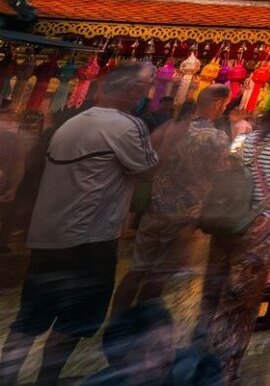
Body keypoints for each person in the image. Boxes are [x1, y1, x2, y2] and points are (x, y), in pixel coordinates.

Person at [0, 61, 159, 386]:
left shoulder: (70, 124)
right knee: (73, 320)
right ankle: (47, 380)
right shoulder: (128, 126)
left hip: (47, 236)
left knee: (30, 318)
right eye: (145, 87)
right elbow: (147, 170)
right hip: (90, 239)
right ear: (134, 91)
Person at [200, 90, 270, 383]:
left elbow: (229, 168)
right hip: (260, 226)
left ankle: (198, 356)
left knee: (213, 293)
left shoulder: (249, 139)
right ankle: (223, 371)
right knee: (240, 300)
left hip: (230, 219)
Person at [115, 87, 233, 313]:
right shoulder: (216, 137)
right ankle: (141, 323)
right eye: (225, 105)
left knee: (138, 269)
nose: (224, 110)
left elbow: (146, 155)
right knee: (161, 273)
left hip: (155, 209)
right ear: (217, 103)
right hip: (185, 215)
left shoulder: (171, 127)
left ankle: (116, 322)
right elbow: (221, 175)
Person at [81, 300, 223, 386]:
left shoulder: (199, 370)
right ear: (119, 363)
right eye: (137, 354)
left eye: (164, 347)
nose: (149, 363)